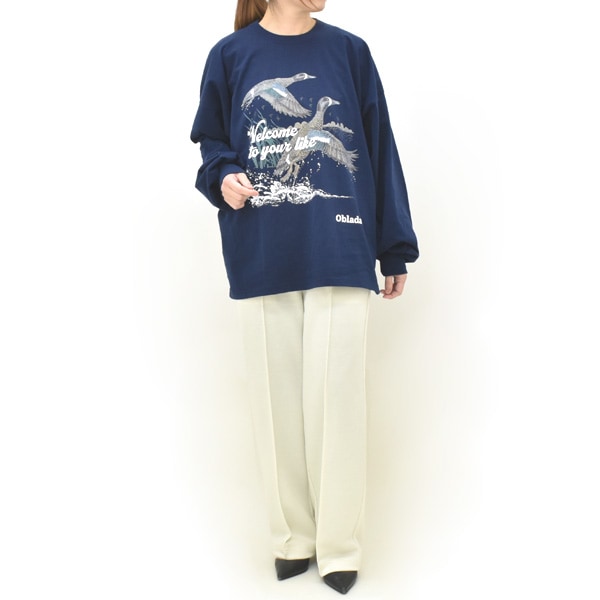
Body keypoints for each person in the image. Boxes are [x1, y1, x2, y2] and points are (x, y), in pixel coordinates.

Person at [190, 0, 419, 594]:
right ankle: (292, 538)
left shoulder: (349, 51)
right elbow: (211, 143)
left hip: (340, 245)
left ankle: (339, 548)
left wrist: (394, 246)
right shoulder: (230, 56)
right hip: (262, 246)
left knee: (337, 399)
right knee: (275, 402)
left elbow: (379, 146)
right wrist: (223, 176)